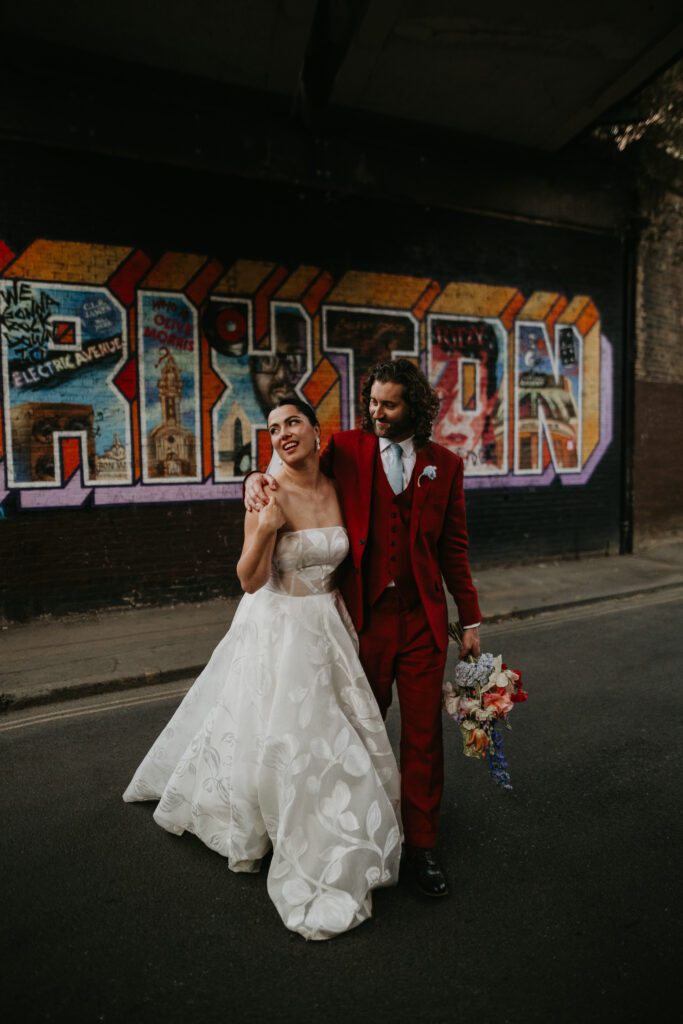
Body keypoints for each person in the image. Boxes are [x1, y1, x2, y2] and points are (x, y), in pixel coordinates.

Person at [123, 397, 402, 941]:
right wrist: (268, 525)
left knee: (332, 732)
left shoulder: (338, 482)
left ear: (316, 431)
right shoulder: (267, 492)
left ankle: (343, 818)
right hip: (280, 627)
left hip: (328, 624)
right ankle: (289, 827)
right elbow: (248, 579)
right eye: (273, 429)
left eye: (292, 422)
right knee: (286, 735)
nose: (282, 435)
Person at [245, 359, 482, 897]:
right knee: (356, 733)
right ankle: (357, 830)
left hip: (422, 623)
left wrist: (469, 618)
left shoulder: (444, 465)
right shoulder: (349, 450)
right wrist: (253, 479)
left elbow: (454, 548)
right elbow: (291, 463)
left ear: (413, 409)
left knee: (422, 739)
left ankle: (422, 849)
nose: (376, 412)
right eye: (372, 402)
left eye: (388, 404)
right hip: (364, 621)